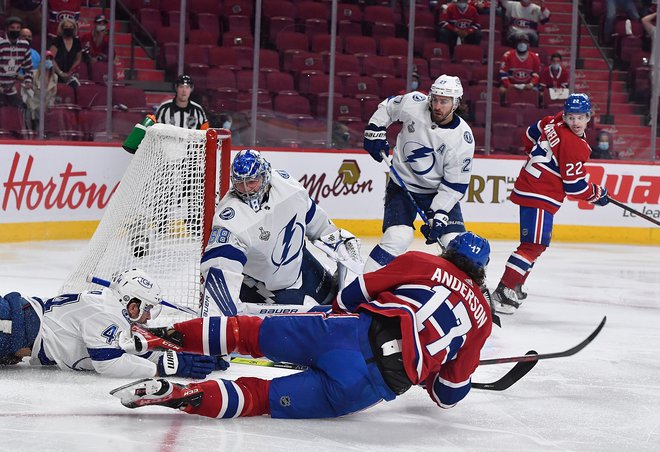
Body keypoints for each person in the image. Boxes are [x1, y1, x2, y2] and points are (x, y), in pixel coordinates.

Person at [110, 232, 494, 419]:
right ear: (479, 275)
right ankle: (185, 396)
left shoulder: (424, 263)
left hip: (349, 333)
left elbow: (354, 292)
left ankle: (160, 336)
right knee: (260, 398)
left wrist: (334, 323)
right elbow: (447, 396)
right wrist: (427, 373)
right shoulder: (481, 321)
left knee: (247, 332)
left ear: (448, 252)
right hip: (367, 386)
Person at [199, 149, 363, 317]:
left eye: (252, 182)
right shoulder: (230, 218)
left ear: (265, 175)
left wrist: (336, 238)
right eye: (240, 183)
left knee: (334, 301)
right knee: (304, 331)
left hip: (301, 264)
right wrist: (218, 306)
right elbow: (219, 267)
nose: (247, 190)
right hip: (268, 287)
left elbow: (315, 221)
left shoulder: (288, 186)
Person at [491, 94, 610, 314]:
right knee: (532, 246)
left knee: (535, 245)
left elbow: (529, 134)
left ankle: (514, 285)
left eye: (580, 118)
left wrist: (532, 151)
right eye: (571, 117)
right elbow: (574, 187)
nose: (575, 122)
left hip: (534, 188)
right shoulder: (576, 145)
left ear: (588, 117)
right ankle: (503, 292)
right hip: (540, 193)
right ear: (565, 115)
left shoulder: (552, 120)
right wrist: (596, 194)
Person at [0, 268, 227, 378]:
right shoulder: (105, 313)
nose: (148, 317)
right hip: (11, 326)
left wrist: (181, 352)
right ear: (133, 305)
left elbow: (125, 347)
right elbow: (107, 363)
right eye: (147, 309)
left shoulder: (109, 306)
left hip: (15, 327)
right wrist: (165, 366)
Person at [362, 74, 475, 272]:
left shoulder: (462, 139)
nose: (437, 106)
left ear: (456, 103)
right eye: (435, 99)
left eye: (444, 101)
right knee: (398, 237)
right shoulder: (415, 103)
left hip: (436, 191)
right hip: (401, 185)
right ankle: (362, 285)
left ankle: (460, 292)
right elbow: (389, 107)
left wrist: (438, 213)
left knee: (455, 244)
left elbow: (455, 185)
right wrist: (375, 128)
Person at [0, 16, 33, 107]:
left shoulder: (24, 45)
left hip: (11, 86)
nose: (15, 30)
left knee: (21, 108)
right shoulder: (1, 44)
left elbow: (28, 67)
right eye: (13, 28)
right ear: (7, 29)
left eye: (18, 28)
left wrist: (28, 81)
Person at [21, 50, 58, 130]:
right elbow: (25, 92)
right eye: (46, 58)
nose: (48, 61)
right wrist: (33, 105)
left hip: (46, 110)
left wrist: (49, 106)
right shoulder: (32, 74)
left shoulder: (55, 77)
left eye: (50, 59)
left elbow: (53, 95)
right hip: (33, 108)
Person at [49, 17, 82, 87]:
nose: (69, 28)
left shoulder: (77, 42)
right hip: (55, 73)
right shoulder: (57, 40)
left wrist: (70, 72)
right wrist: (60, 73)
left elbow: (78, 59)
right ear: (62, 28)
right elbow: (51, 58)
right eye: (66, 27)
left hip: (70, 74)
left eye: (71, 27)